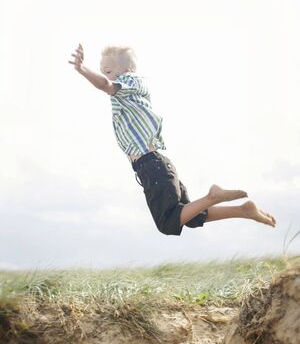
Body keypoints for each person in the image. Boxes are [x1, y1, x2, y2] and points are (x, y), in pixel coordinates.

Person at [68, 44, 276, 236]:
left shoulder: (130, 83)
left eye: (109, 71)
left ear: (127, 70)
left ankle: (213, 196)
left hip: (152, 166)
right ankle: (244, 210)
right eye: (103, 71)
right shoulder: (129, 96)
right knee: (192, 217)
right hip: (156, 165)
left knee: (167, 223)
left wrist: (82, 69)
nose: (105, 76)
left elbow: (105, 85)